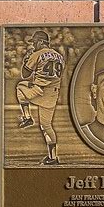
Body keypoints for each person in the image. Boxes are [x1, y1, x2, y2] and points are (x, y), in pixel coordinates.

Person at [16, 30, 64, 165]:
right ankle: (53, 157)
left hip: (39, 90)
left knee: (20, 86)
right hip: (53, 94)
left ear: (41, 42)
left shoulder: (37, 54)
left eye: (35, 42)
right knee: (46, 126)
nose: (33, 45)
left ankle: (27, 117)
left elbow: (25, 74)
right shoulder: (59, 56)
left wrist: (26, 61)